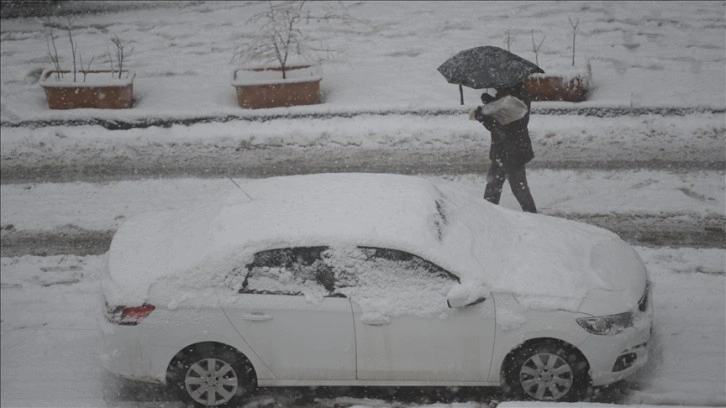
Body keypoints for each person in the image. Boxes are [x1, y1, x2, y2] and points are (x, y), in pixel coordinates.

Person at [471, 81, 537, 213]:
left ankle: (533, 217)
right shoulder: (514, 92)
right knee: (493, 185)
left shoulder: (515, 99)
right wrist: (491, 102)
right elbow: (501, 119)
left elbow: (502, 127)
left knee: (518, 188)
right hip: (504, 150)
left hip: (513, 151)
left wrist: (484, 117)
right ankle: (488, 214)